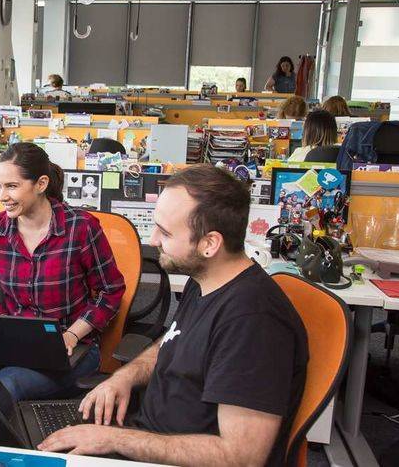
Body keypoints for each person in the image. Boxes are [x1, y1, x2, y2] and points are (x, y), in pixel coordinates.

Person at [38, 165, 308, 467]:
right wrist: (124, 377)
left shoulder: (253, 323)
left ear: (209, 244)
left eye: (165, 232)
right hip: (143, 431)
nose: (153, 240)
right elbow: (175, 340)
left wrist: (113, 440)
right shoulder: (205, 279)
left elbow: (241, 457)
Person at [0, 142, 126, 441]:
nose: (1, 196)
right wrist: (7, 326)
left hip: (72, 348)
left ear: (41, 184)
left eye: (12, 186)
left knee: (0, 390)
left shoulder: (80, 228)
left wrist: (73, 334)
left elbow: (111, 291)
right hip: (15, 346)